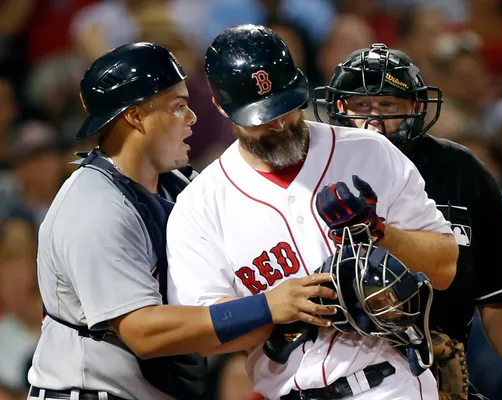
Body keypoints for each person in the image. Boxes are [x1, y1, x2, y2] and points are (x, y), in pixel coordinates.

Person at [27, 42, 337, 400]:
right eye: (178, 106)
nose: (192, 118)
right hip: (86, 392)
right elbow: (142, 332)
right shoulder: (94, 206)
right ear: (136, 116)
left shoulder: (181, 186)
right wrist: (267, 307)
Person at [166, 25, 459, 400]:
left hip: (391, 384)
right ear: (222, 107)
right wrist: (273, 309)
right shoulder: (201, 204)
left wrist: (379, 233)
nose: (278, 122)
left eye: (286, 106)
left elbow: (446, 266)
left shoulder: (370, 152)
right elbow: (203, 334)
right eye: (260, 116)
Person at [314, 42, 502, 399]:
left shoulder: (461, 172)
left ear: (416, 108)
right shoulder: (311, 175)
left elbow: (498, 298)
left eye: (388, 105)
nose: (372, 120)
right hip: (342, 378)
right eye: (361, 105)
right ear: (339, 108)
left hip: (442, 373)